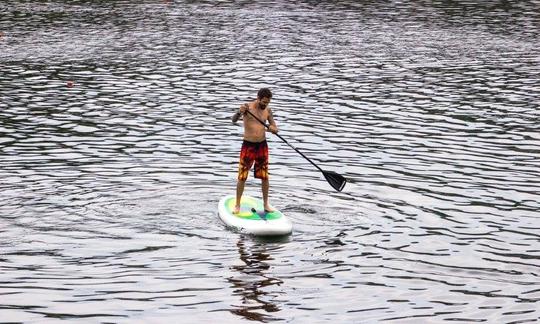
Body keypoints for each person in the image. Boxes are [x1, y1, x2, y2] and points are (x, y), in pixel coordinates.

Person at [231, 88, 278, 214]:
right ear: (258, 98)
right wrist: (239, 112)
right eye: (263, 102)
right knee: (242, 176)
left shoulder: (268, 111)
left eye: (267, 102)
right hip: (248, 146)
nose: (265, 105)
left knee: (265, 176)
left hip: (262, 146)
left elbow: (274, 126)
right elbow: (233, 120)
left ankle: (266, 204)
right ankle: (237, 205)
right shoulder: (247, 108)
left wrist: (273, 129)